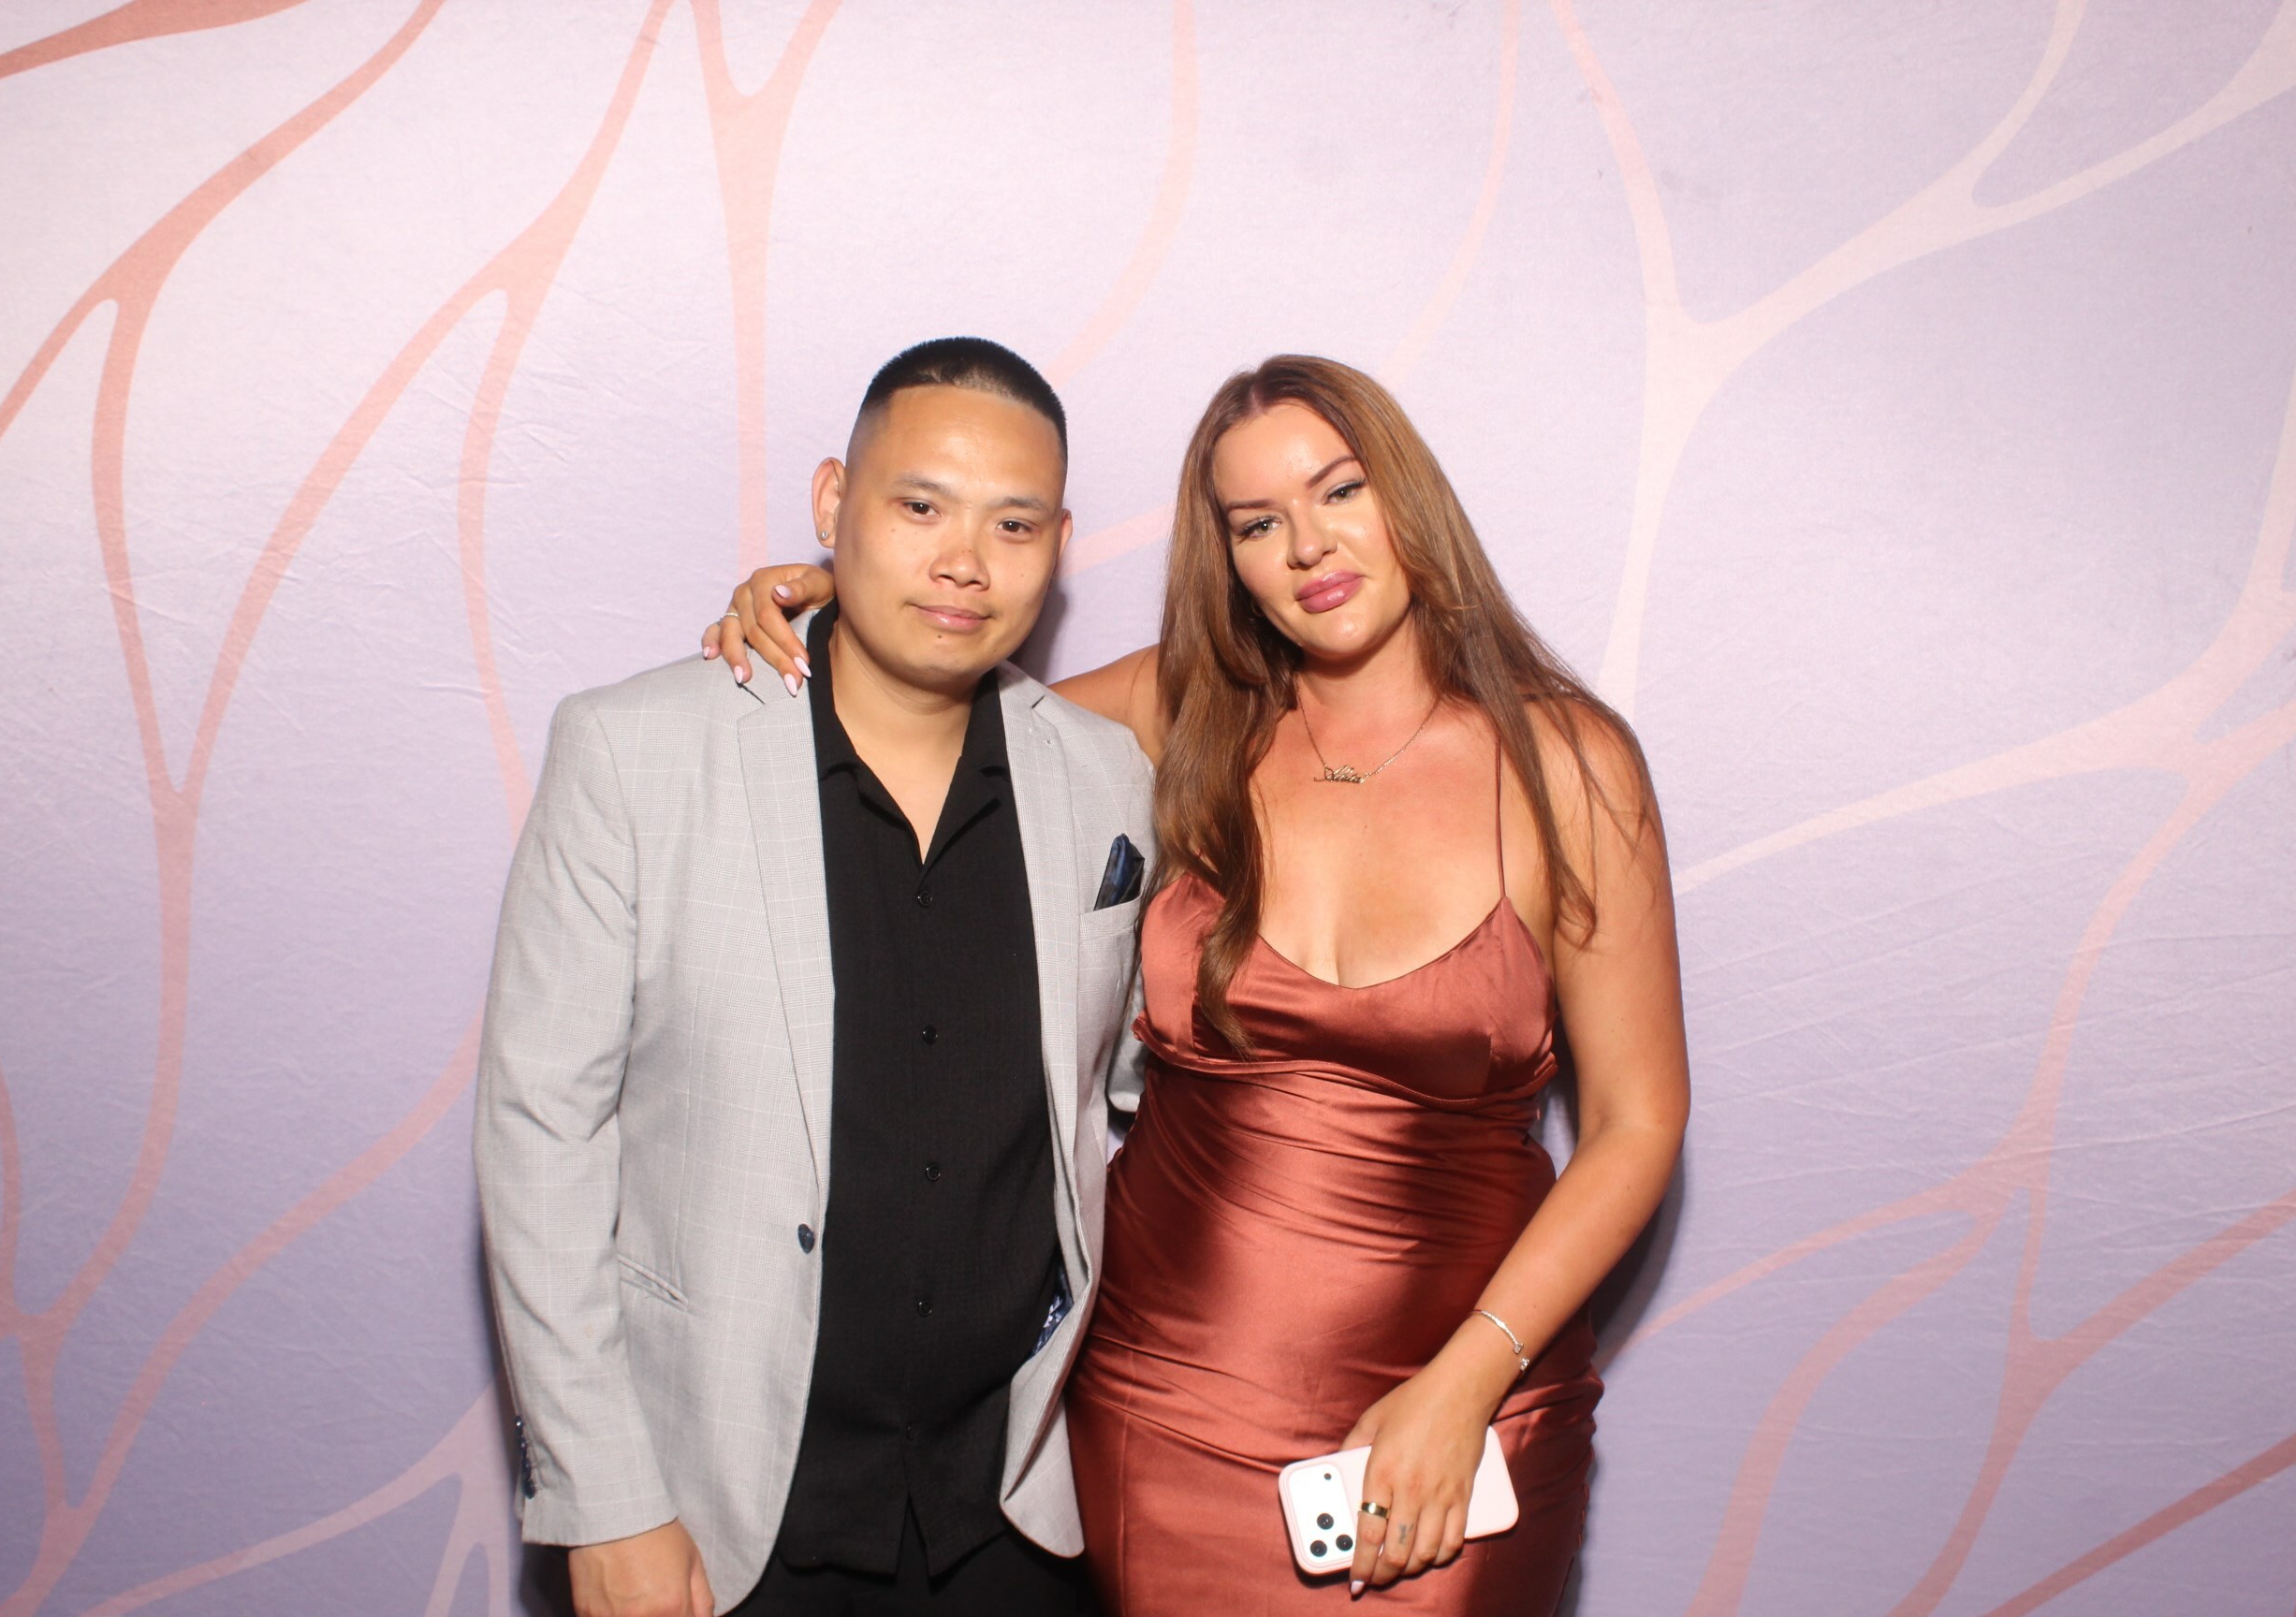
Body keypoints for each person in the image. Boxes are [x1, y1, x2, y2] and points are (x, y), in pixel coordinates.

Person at [708, 355, 1690, 1614]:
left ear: (1409, 495)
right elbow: (925, 708)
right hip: (1167, 1399)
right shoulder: (1179, 713)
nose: (1308, 547)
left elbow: (1637, 1123)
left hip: (1469, 1399)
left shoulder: (1567, 764)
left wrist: (1465, 1384)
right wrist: (839, 592)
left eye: (1340, 491)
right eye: (1256, 523)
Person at [476, 337, 1155, 1616]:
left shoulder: (1107, 778)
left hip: (1012, 1510)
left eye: (1013, 524)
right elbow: (539, 1137)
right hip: (719, 1513)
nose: (965, 560)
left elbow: (1135, 1084)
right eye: (920, 507)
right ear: (834, 502)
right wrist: (603, 1494)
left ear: (1059, 545)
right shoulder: (634, 753)